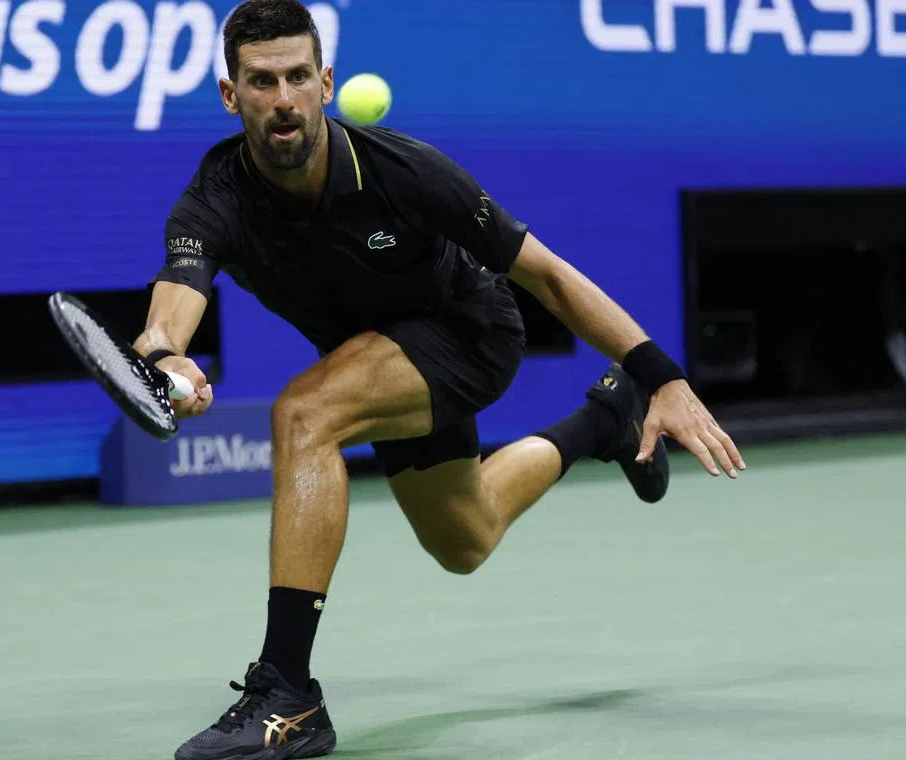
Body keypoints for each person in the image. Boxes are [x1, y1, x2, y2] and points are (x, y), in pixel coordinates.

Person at [132, 1, 746, 757]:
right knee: (465, 537)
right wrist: (163, 361)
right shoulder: (214, 196)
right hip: (378, 357)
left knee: (305, 412)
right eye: (262, 81)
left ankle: (288, 695)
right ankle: (602, 423)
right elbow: (172, 308)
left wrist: (661, 374)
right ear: (232, 96)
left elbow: (547, 277)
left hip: (469, 332)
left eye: (298, 77)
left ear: (326, 83)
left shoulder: (402, 171)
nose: (283, 99)